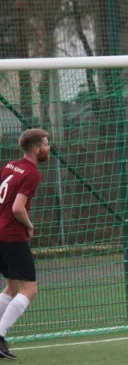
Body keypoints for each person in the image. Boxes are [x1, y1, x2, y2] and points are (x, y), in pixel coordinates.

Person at [0, 128, 50, 359]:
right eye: (47, 144)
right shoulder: (31, 173)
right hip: (11, 235)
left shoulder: (10, 166)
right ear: (36, 149)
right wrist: (29, 226)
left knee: (11, 287)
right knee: (29, 288)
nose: (49, 148)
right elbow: (18, 207)